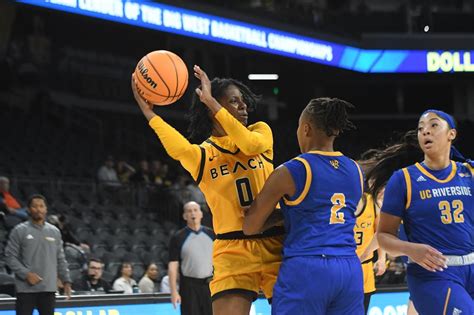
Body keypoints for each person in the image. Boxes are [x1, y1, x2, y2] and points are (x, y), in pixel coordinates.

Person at [132, 65, 284, 315]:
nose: (244, 106)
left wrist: (214, 103)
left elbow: (248, 144)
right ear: (212, 109)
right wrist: (149, 113)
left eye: (243, 101)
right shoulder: (203, 156)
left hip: (275, 241)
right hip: (231, 250)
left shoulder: (260, 132)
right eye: (234, 102)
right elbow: (179, 148)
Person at [243, 97, 364, 314]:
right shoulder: (355, 170)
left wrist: (279, 215)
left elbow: (250, 226)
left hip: (309, 267)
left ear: (306, 128)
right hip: (349, 268)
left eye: (299, 127)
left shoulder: (292, 170)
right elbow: (333, 211)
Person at [367, 110, 473, 314]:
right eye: (420, 128)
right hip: (433, 273)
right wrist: (410, 249)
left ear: (451, 134)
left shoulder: (468, 172)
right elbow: (383, 237)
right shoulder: (404, 179)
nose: (425, 132)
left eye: (433, 125)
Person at [5, 194, 72, 315]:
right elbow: (10, 257)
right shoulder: (19, 230)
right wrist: (26, 274)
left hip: (48, 288)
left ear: (46, 209)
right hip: (25, 289)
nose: (38, 209)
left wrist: (66, 280)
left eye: (41, 206)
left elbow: (60, 258)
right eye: (34, 206)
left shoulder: (54, 231)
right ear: (29, 209)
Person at [168, 201, 214, 315]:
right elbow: (173, 267)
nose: (193, 213)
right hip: (189, 287)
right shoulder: (178, 237)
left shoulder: (212, 234)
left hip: (211, 285)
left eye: (195, 210)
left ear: (201, 214)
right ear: (185, 216)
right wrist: (173, 292)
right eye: (189, 211)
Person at [354, 193, 387, 313]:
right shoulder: (339, 201)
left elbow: (379, 233)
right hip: (344, 264)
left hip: (365, 267)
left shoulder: (373, 203)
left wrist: (382, 258)